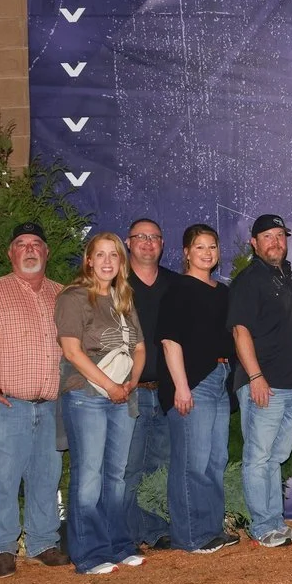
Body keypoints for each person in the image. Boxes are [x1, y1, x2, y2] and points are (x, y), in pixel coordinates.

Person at [0, 221, 69, 579]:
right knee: (2, 479)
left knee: (46, 476)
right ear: (11, 253)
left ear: (46, 252)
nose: (30, 249)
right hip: (6, 405)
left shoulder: (63, 295)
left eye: (36, 243)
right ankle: (3, 547)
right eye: (22, 243)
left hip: (51, 406)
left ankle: (42, 542)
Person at [56, 232, 146, 576]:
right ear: (89, 261)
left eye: (114, 255)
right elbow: (72, 351)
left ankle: (118, 544)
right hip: (87, 395)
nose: (108, 261)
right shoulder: (73, 298)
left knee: (117, 476)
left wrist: (131, 383)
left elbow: (139, 347)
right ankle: (89, 553)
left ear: (121, 262)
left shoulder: (124, 299)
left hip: (123, 395)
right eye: (101, 255)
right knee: (89, 475)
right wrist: (110, 386)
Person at [227, 213, 292, 548]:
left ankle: (275, 521)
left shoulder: (287, 277)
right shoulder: (250, 280)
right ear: (254, 243)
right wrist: (255, 376)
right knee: (259, 456)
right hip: (266, 381)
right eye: (268, 236)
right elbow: (240, 331)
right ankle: (262, 526)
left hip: (291, 383)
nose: (276, 242)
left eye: (280, 235)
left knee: (275, 457)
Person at [158, 224, 239, 554]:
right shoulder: (178, 289)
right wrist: (181, 386)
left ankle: (211, 528)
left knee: (215, 460)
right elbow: (169, 340)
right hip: (193, 382)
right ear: (187, 252)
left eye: (212, 247)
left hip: (220, 377)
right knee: (192, 461)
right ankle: (191, 535)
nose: (207, 253)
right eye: (200, 247)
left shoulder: (222, 292)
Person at [122, 218, 179, 551]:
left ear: (162, 244)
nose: (147, 242)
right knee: (128, 465)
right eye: (140, 237)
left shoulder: (175, 283)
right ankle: (126, 533)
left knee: (161, 464)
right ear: (128, 243)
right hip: (129, 390)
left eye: (154, 237)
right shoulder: (115, 283)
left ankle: (155, 528)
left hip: (167, 390)